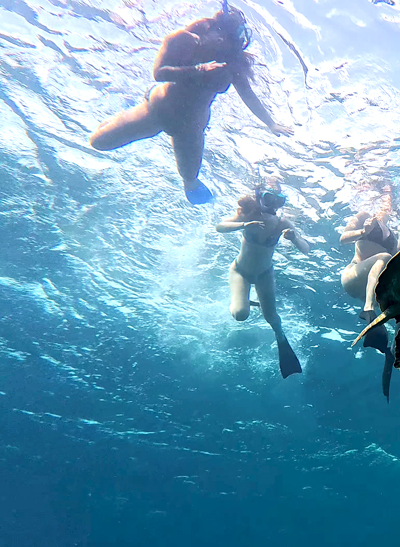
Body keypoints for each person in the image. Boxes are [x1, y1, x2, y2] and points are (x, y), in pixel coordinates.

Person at [89, 1, 293, 205]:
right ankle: (125, 111)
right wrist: (198, 70)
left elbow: (248, 95)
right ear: (212, 28)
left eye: (233, 40)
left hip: (190, 128)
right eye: (226, 37)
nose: (228, 44)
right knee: (98, 142)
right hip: (158, 111)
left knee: (190, 179)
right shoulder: (183, 40)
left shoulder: (233, 62)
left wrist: (271, 123)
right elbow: (159, 73)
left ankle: (193, 185)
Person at [215, 176, 310, 377]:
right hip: (240, 271)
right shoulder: (247, 216)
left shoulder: (282, 223)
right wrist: (243, 225)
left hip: (265, 274)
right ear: (259, 199)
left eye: (279, 200)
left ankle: (281, 339)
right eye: (269, 199)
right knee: (240, 314)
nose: (274, 205)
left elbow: (306, 249)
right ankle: (244, 299)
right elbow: (220, 227)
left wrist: (293, 239)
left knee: (273, 319)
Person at [340, 189, 400, 399]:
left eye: (390, 200)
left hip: (374, 285)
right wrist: (363, 231)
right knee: (383, 256)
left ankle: (392, 351)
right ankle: (368, 309)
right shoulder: (362, 217)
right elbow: (343, 238)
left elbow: (396, 258)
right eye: (384, 198)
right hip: (354, 276)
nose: (387, 204)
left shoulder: (391, 232)